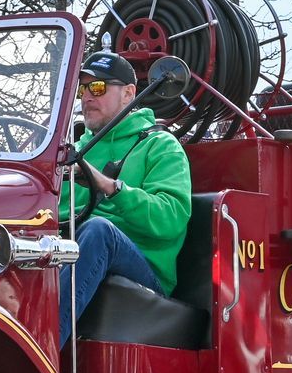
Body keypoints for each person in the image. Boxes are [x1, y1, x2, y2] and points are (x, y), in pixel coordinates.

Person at [56, 51, 192, 347]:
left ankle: (41, 352)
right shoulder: (75, 150)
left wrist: (110, 187)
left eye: (99, 87)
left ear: (129, 93)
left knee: (99, 230)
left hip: (145, 271)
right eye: (83, 88)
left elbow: (171, 218)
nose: (87, 96)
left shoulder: (160, 145)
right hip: (75, 252)